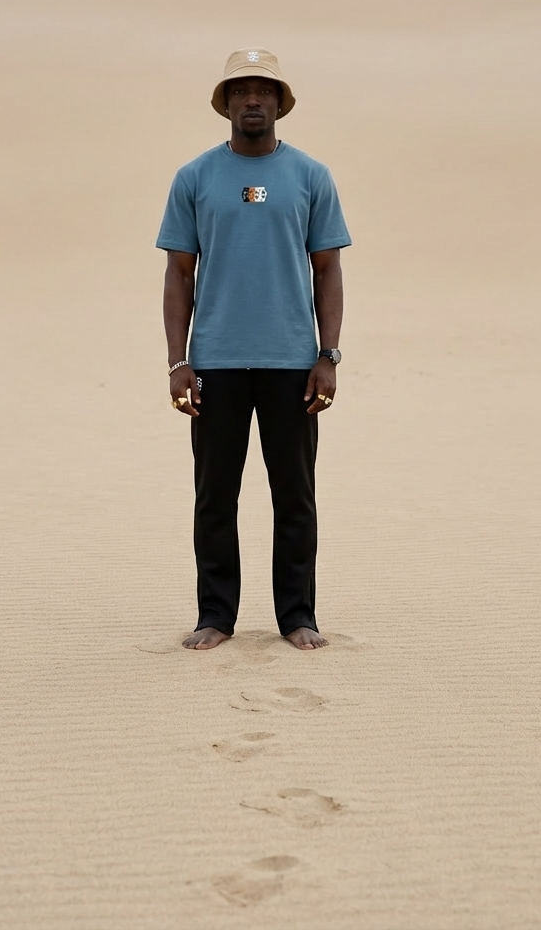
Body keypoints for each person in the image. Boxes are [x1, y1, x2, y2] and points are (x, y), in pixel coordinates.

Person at [156, 47, 351, 651]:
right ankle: (215, 614)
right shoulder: (194, 178)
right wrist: (177, 360)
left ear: (279, 102)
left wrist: (329, 355)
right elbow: (178, 275)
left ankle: (298, 616)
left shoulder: (311, 176)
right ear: (226, 104)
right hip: (215, 359)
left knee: (294, 496)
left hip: (292, 362)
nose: (252, 100)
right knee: (216, 496)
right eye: (240, 90)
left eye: (263, 90)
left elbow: (328, 270)